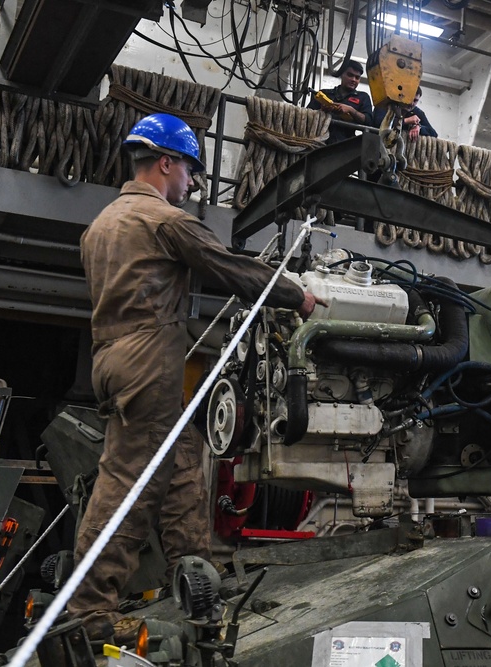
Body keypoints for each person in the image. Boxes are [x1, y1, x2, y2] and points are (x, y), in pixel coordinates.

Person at [68, 113, 316, 644]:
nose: (191, 186)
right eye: (189, 173)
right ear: (166, 162)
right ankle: (87, 614)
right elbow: (227, 267)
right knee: (128, 486)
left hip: (110, 359)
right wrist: (297, 294)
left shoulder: (101, 226)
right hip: (148, 360)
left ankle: (198, 574)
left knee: (180, 465)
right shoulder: (161, 220)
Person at [308, 61, 373, 144]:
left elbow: (368, 121)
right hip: (319, 142)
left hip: (345, 147)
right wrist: (321, 111)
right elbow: (306, 115)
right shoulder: (324, 94)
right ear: (342, 74)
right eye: (350, 75)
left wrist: (351, 110)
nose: (353, 79)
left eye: (357, 77)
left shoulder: (363, 97)